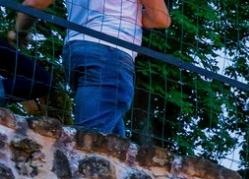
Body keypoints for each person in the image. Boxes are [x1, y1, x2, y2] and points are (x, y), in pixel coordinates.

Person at [16, 0, 167, 136]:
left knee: (114, 151)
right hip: (111, 50)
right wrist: (134, 16)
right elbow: (160, 18)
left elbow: (33, 3)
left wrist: (18, 33)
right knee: (89, 143)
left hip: (76, 49)